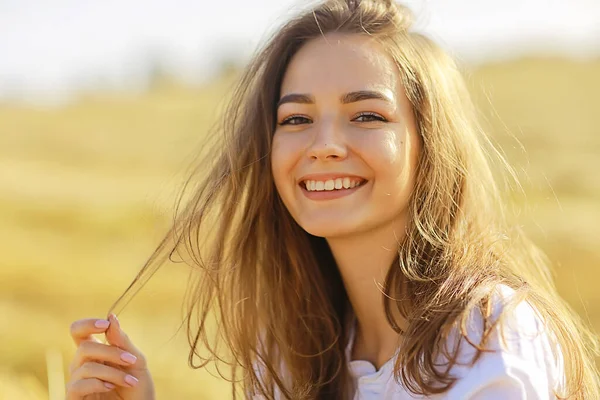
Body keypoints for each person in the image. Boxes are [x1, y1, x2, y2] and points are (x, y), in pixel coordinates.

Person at [65, 0, 600, 399]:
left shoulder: (489, 335)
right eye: (296, 119)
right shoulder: (289, 355)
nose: (323, 146)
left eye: (366, 115)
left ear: (429, 143)